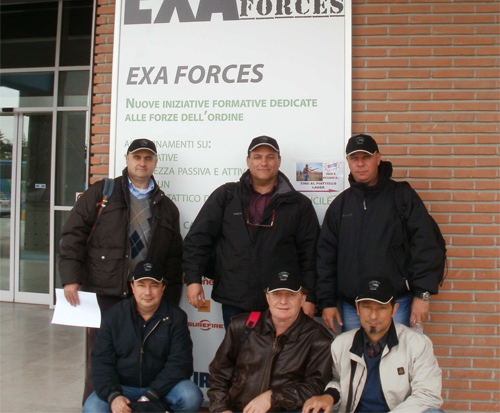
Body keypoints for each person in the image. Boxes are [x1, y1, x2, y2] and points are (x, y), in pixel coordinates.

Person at [59, 138, 183, 401]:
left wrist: (170, 300)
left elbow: (174, 259)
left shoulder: (167, 207)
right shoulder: (102, 193)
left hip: (146, 296)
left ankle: (137, 404)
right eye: (137, 157)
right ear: (127, 160)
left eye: (148, 158)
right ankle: (97, 405)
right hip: (105, 291)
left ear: (155, 163)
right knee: (100, 355)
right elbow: (73, 235)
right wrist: (71, 279)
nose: (142, 163)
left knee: (140, 357)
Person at [183, 135, 320, 328]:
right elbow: (198, 240)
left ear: (279, 161)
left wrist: (310, 296)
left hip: (282, 299)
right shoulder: (227, 196)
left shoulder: (299, 204)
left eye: (270, 157)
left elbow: (311, 254)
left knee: (281, 349)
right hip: (235, 298)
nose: (264, 162)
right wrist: (193, 279)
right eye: (257, 157)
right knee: (237, 349)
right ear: (248, 161)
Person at [316, 134, 445, 333]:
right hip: (353, 308)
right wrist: (327, 302)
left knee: (399, 354)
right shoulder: (340, 206)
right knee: (354, 354)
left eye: (366, 157)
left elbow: (425, 245)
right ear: (348, 161)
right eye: (354, 158)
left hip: (397, 305)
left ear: (378, 158)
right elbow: (326, 257)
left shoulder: (402, 197)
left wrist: (423, 295)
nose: (360, 164)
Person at [303, 277, 443, 413]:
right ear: (358, 309)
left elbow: (428, 395)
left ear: (394, 310)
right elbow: (338, 381)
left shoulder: (417, 344)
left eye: (382, 308)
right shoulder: (341, 344)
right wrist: (329, 397)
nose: (373, 316)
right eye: (367, 307)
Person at [83, 261, 203, 413]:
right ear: (132, 287)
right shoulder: (113, 316)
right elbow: (101, 362)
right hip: (122, 387)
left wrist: (151, 395)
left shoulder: (176, 317)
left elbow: (180, 363)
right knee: (92, 408)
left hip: (162, 388)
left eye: (154, 285)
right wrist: (114, 396)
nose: (147, 292)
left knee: (190, 397)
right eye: (141, 285)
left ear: (163, 288)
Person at [208, 269, 333, 413]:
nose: (283, 301)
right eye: (276, 294)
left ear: (303, 299)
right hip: (239, 409)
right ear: (267, 298)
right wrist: (222, 409)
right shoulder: (242, 326)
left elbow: (315, 387)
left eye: (291, 295)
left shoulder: (318, 338)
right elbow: (219, 373)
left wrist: (273, 397)